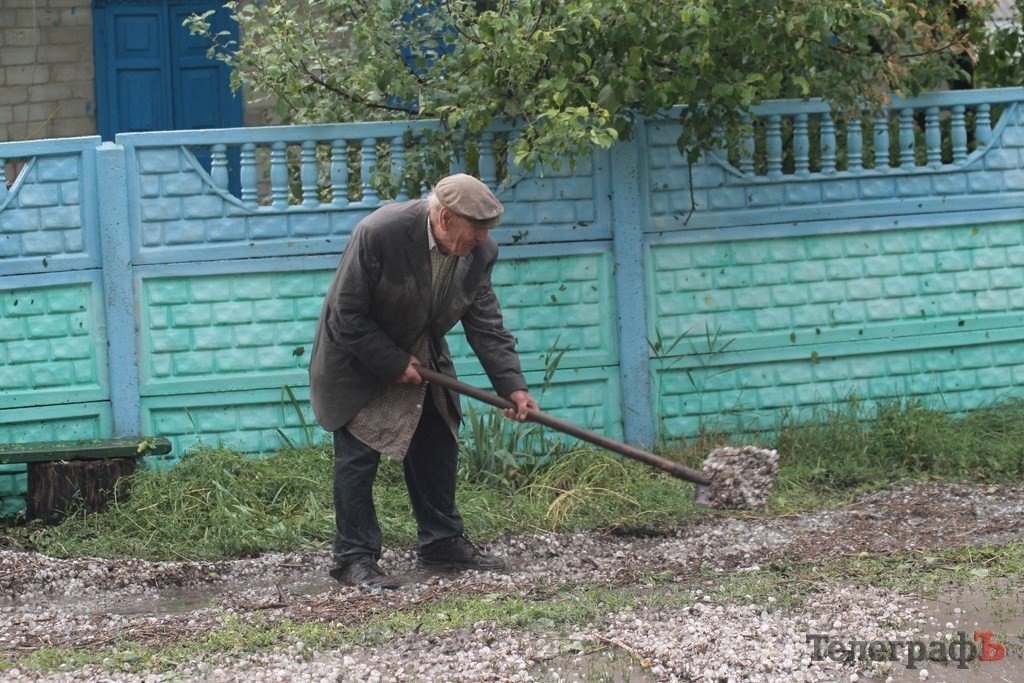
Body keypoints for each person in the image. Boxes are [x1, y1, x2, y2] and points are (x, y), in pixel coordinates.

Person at [308, 173, 538, 586]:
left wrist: (513, 387)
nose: (482, 240)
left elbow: (485, 323)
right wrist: (393, 360)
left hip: (423, 350)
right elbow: (346, 314)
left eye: (487, 232)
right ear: (445, 218)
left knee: (436, 440)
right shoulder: (380, 232)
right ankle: (354, 558)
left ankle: (441, 543)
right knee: (358, 457)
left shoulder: (480, 252)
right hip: (358, 352)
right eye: (475, 231)